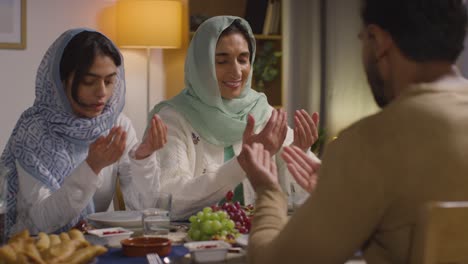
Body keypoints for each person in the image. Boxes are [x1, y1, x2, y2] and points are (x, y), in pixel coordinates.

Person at [238, 0, 468, 263]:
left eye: (362, 40)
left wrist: (269, 190)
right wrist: (338, 193)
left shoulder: (371, 143)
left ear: (378, 40)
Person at [148, 16, 319, 220]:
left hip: (257, 236)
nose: (236, 71)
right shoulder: (172, 118)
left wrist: (299, 153)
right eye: (222, 61)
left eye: (243, 59)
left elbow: (304, 195)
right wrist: (242, 163)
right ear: (201, 63)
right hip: (195, 243)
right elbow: (168, 200)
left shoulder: (263, 112)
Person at [0, 28, 167, 236]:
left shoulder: (117, 126)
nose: (102, 93)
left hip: (93, 245)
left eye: (109, 81)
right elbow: (40, 222)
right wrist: (91, 167)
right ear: (62, 80)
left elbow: (144, 206)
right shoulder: (34, 131)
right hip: (36, 249)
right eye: (89, 82)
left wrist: (143, 158)